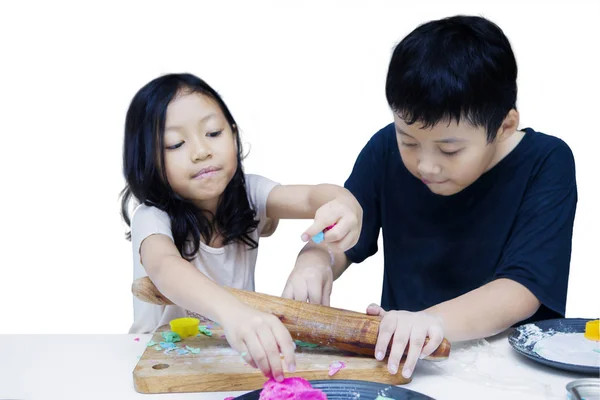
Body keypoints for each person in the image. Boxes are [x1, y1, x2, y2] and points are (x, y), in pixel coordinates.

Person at [284, 15, 577, 379]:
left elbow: (522, 288)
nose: (426, 165)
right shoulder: (384, 149)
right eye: (408, 141)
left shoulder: (546, 161)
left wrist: (428, 322)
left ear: (504, 126)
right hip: (410, 364)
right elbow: (343, 234)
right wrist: (315, 259)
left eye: (449, 150)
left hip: (510, 370)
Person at [120, 73, 363, 382]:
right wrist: (234, 313)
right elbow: (166, 267)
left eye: (213, 132)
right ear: (147, 160)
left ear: (233, 134)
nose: (201, 151)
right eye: (176, 143)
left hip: (233, 358)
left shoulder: (250, 194)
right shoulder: (152, 216)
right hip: (159, 364)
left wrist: (345, 205)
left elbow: (314, 195)